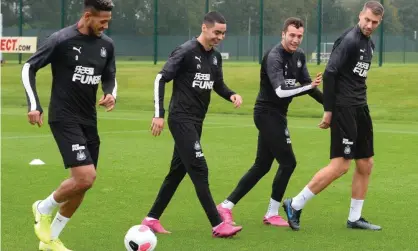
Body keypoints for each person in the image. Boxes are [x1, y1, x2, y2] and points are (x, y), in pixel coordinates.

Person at [21, 0, 117, 250]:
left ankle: (50, 240)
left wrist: (110, 93)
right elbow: (29, 67)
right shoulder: (61, 39)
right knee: (86, 176)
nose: (106, 26)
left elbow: (109, 75)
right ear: (87, 16)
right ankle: (42, 208)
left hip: (89, 120)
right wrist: (34, 104)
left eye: (108, 21)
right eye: (102, 21)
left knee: (84, 184)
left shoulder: (107, 44)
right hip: (64, 117)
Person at [282, 1, 384, 231]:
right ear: (360, 16)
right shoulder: (348, 41)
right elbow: (329, 74)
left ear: (379, 22)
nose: (369, 25)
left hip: (360, 107)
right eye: (366, 20)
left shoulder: (370, 44)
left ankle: (354, 218)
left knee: (366, 163)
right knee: (340, 166)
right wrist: (329, 111)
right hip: (344, 108)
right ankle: (295, 204)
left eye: (374, 22)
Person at [141, 11, 243, 238]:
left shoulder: (215, 57)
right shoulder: (186, 51)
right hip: (180, 119)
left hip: (197, 121)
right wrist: (159, 114)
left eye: (223, 34)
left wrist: (231, 95)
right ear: (204, 28)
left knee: (177, 172)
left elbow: (218, 84)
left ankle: (151, 219)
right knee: (199, 168)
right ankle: (218, 224)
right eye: (217, 32)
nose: (220, 37)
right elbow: (161, 78)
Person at [217, 17, 323, 227]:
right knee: (288, 162)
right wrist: (309, 87)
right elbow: (281, 91)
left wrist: (330, 106)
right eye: (292, 35)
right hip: (266, 114)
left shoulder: (299, 56)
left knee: (262, 165)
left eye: (299, 36)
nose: (295, 40)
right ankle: (272, 213)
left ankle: (226, 206)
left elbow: (306, 85)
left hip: (277, 115)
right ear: (283, 34)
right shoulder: (274, 56)